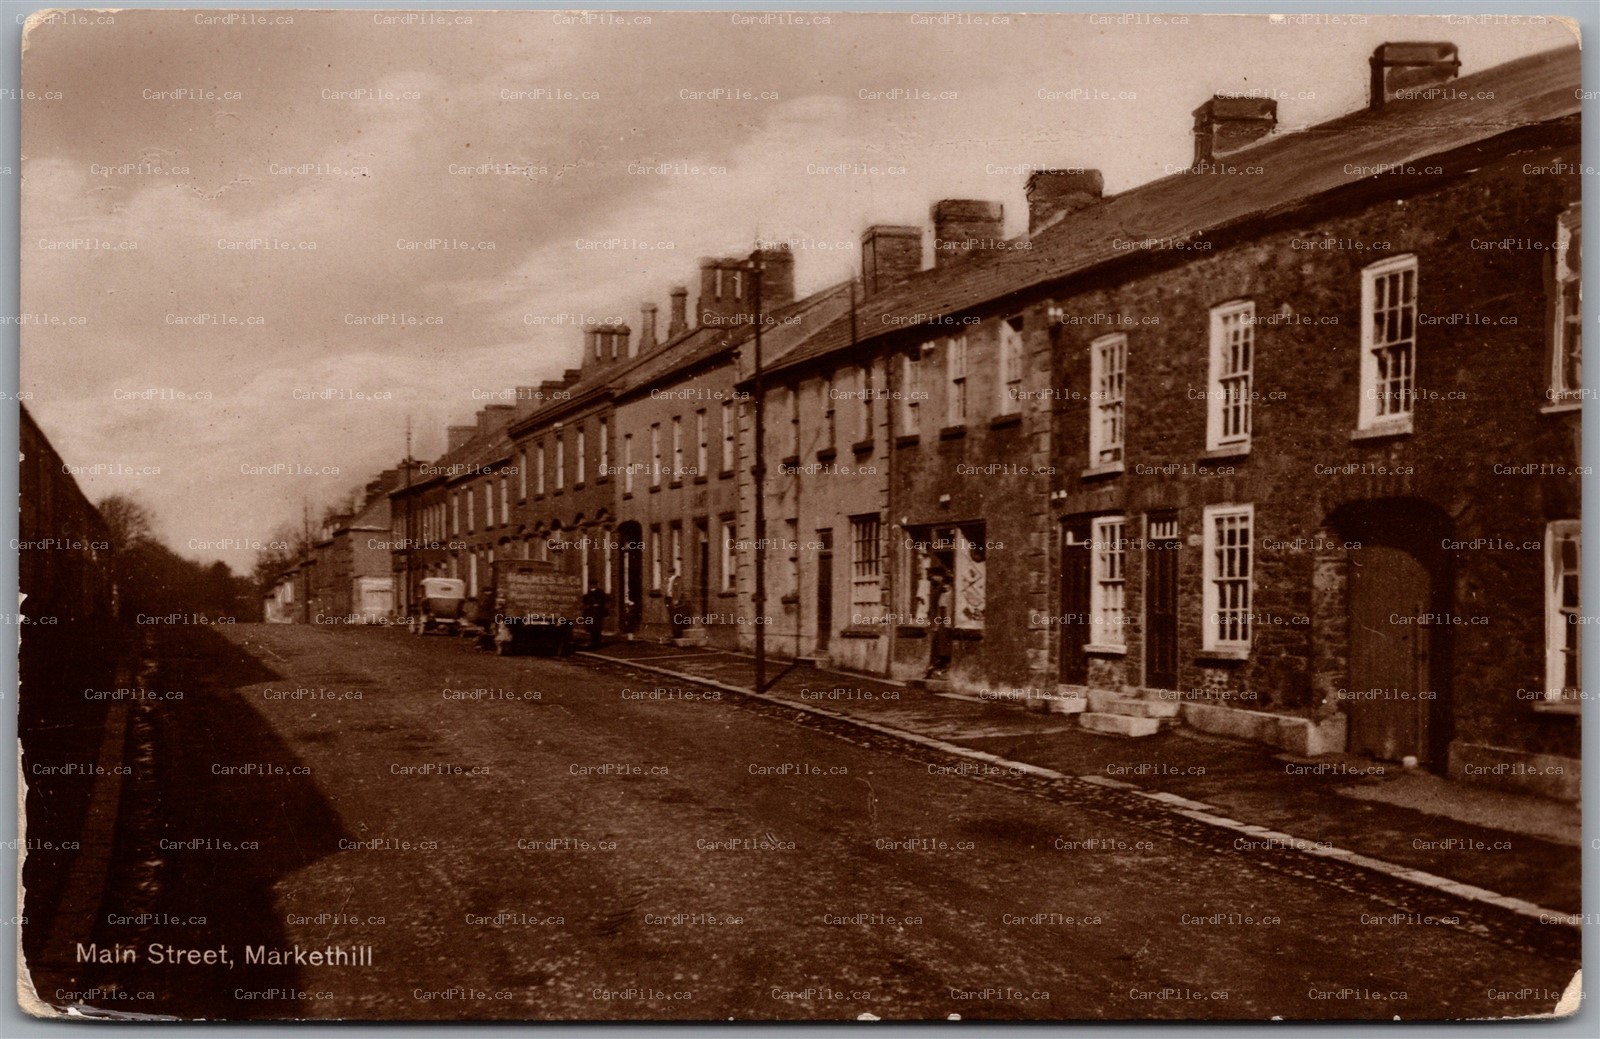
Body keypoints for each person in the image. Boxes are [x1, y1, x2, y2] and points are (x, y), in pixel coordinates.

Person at [580, 580, 609, 649]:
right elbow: (585, 601)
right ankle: (593, 642)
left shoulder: (600, 592)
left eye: (593, 584)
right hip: (590, 612)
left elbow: (605, 600)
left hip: (597, 613)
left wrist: (598, 604)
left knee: (597, 628)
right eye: (591, 584)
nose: (592, 586)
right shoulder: (589, 592)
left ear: (596, 585)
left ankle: (597, 642)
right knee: (591, 628)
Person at [663, 569, 684, 640]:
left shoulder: (677, 580)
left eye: (671, 572)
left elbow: (678, 590)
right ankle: (674, 633)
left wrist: (676, 600)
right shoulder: (668, 580)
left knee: (676, 617)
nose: (670, 574)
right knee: (671, 617)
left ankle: (678, 634)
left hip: (674, 600)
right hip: (668, 599)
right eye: (669, 572)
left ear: (673, 572)